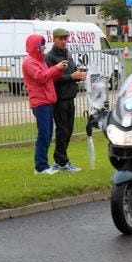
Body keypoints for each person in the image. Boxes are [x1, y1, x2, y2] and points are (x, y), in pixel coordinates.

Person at [44, 28, 88, 172]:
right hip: (59, 99)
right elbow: (52, 78)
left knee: (68, 130)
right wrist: (71, 77)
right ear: (54, 39)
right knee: (62, 130)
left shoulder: (68, 54)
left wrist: (79, 75)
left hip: (70, 96)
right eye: (61, 38)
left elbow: (72, 71)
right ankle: (61, 161)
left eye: (66, 38)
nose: (64, 41)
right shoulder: (50, 57)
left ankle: (61, 160)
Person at [22, 34, 67, 175]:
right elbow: (41, 77)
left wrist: (59, 70)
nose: (44, 47)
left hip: (47, 101)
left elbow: (48, 76)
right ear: (35, 46)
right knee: (44, 134)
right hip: (40, 103)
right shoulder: (29, 62)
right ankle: (41, 167)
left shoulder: (40, 61)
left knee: (47, 134)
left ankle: (43, 165)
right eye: (41, 44)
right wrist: (56, 68)